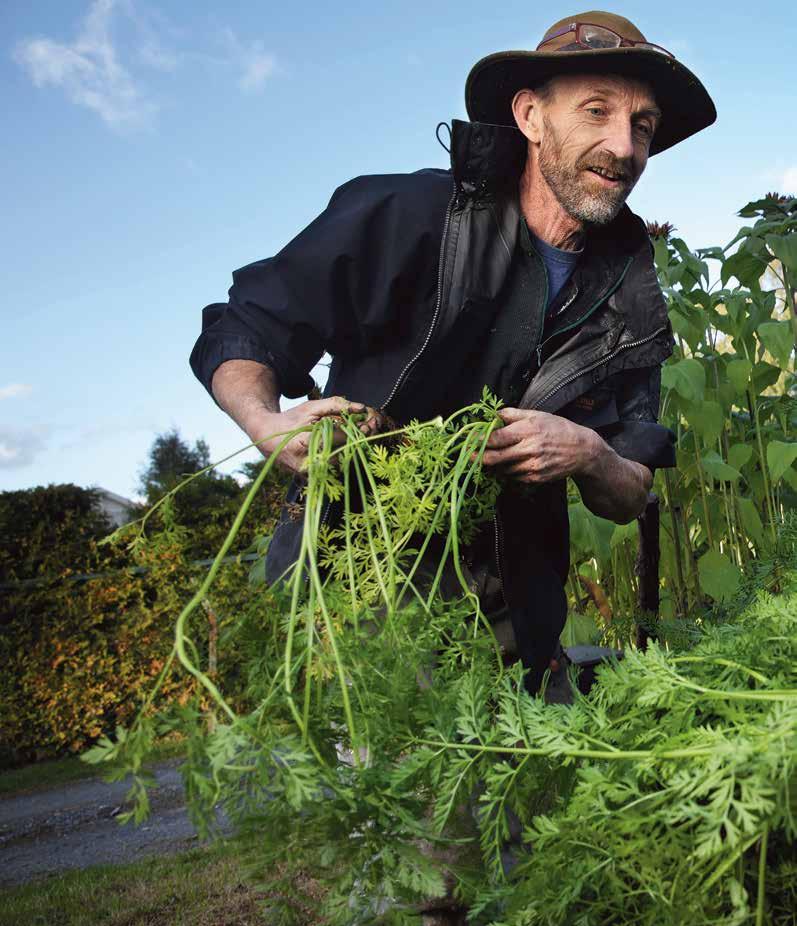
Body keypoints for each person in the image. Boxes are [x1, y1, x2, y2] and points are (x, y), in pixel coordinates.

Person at [190, 11, 716, 701]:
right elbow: (250, 324)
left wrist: (589, 452)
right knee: (403, 763)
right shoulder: (411, 215)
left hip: (518, 613)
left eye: (642, 126)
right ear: (530, 116)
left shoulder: (631, 298)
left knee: (536, 763)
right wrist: (266, 422)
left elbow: (630, 487)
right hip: (361, 596)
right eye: (596, 111)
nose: (623, 147)